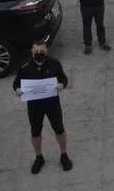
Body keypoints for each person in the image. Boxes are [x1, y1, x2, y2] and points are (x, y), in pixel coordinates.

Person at [12, 41, 72, 174]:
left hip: (52, 104)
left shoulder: (54, 64)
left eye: (42, 52)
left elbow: (64, 79)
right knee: (35, 132)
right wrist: (17, 90)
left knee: (59, 129)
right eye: (36, 52)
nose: (39, 54)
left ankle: (63, 154)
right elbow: (16, 83)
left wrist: (62, 85)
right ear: (32, 52)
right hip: (34, 106)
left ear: (47, 51)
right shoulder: (24, 67)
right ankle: (39, 157)